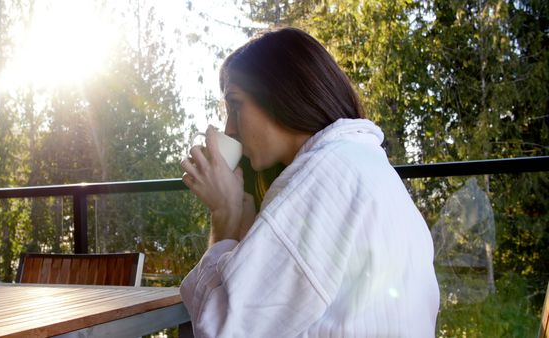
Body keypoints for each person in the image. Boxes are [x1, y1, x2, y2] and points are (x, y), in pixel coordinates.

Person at [179, 27, 439, 337]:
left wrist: (225, 213)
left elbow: (222, 330)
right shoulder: (356, 162)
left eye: (235, 105)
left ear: (280, 92)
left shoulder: (324, 175)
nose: (229, 129)